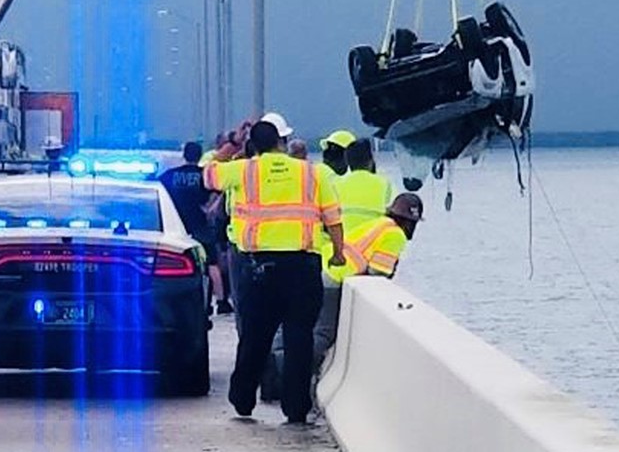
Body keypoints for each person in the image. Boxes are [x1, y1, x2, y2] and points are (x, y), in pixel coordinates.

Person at [204, 121, 346, 424]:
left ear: (252, 144)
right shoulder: (312, 172)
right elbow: (332, 216)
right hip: (302, 268)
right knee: (299, 339)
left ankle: (243, 399)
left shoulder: (244, 170)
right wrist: (337, 251)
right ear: (284, 141)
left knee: (255, 337)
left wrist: (231, 143)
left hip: (258, 270)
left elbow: (207, 170)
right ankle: (296, 409)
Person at [261, 192, 424, 402]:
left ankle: (270, 363)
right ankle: (280, 365)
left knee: (294, 324)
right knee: (323, 334)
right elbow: (378, 273)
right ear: (409, 222)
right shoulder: (395, 235)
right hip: (334, 279)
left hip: (319, 269)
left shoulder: (379, 224)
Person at [159, 142, 230, 314]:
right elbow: (221, 190)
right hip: (201, 225)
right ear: (199, 155)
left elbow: (157, 190)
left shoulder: (169, 175)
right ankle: (221, 302)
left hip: (174, 225)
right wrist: (211, 206)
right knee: (212, 263)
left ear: (184, 154)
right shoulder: (204, 175)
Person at [335, 138, 395, 233]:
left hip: (347, 240)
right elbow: (389, 212)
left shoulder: (337, 183)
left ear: (348, 162)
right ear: (370, 161)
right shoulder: (384, 183)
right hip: (374, 239)